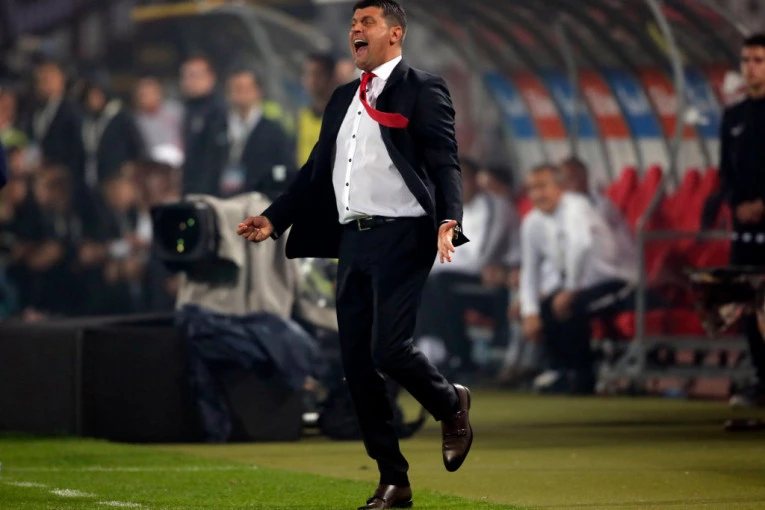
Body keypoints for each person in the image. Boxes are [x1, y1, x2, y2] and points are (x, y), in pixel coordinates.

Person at [237, 1, 473, 508]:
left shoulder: (423, 88)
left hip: (404, 234)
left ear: (395, 33)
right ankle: (394, 480)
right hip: (353, 240)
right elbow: (314, 171)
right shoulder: (345, 97)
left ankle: (449, 402)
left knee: (388, 349)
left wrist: (450, 218)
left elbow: (445, 161)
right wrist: (274, 218)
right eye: (352, 24)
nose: (355, 31)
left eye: (367, 23)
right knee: (356, 365)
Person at [519, 164, 635, 394]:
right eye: (532, 188)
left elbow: (580, 245)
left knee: (571, 307)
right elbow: (529, 270)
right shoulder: (532, 221)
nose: (537, 194)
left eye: (543, 186)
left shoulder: (576, 206)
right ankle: (561, 370)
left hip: (616, 283)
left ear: (560, 188)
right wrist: (529, 311)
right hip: (581, 287)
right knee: (546, 307)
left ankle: (583, 375)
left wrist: (569, 290)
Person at [417, 158, 516, 374]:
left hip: (496, 281)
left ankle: (455, 354)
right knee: (419, 280)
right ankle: (432, 347)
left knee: (437, 282)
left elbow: (480, 259)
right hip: (455, 277)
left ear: (476, 181)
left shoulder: (494, 207)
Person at [719, 33, 765, 408]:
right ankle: (762, 380)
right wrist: (737, 204)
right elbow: (725, 173)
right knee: (749, 306)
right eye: (746, 60)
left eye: (758, 61)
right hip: (744, 230)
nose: (750, 68)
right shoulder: (733, 116)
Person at [221, 68, 295, 200]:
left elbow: (286, 168)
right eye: (237, 88)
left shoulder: (274, 131)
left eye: (247, 89)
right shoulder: (217, 127)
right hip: (223, 199)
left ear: (259, 91)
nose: (242, 94)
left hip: (261, 200)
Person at [559, 156, 637, 273]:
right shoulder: (563, 206)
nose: (566, 184)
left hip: (611, 269)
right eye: (563, 179)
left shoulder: (602, 206)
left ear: (584, 177)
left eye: (571, 178)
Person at [80, 76, 145, 188]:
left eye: (97, 95)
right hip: (95, 177)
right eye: (89, 96)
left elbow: (137, 145)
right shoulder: (89, 121)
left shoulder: (121, 116)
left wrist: (132, 168)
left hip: (118, 177)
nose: (93, 100)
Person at [27, 60, 85, 185]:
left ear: (62, 79)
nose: (43, 83)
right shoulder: (33, 111)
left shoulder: (72, 110)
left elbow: (77, 147)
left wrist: (62, 170)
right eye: (40, 79)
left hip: (64, 180)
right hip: (38, 178)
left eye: (48, 78)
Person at [179, 54, 227, 196]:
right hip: (189, 186)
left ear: (210, 77)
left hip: (209, 190)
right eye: (185, 76)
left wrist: (203, 191)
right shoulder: (188, 109)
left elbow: (215, 158)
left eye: (194, 76)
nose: (189, 81)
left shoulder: (218, 111)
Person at [297, 53, 336, 167]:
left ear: (330, 77)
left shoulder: (341, 115)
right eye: (308, 74)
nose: (312, 79)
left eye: (317, 74)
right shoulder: (303, 116)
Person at [132, 76, 183, 153]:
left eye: (150, 93)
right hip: (150, 158)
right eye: (143, 95)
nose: (146, 98)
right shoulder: (136, 121)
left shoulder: (175, 111)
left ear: (159, 93)